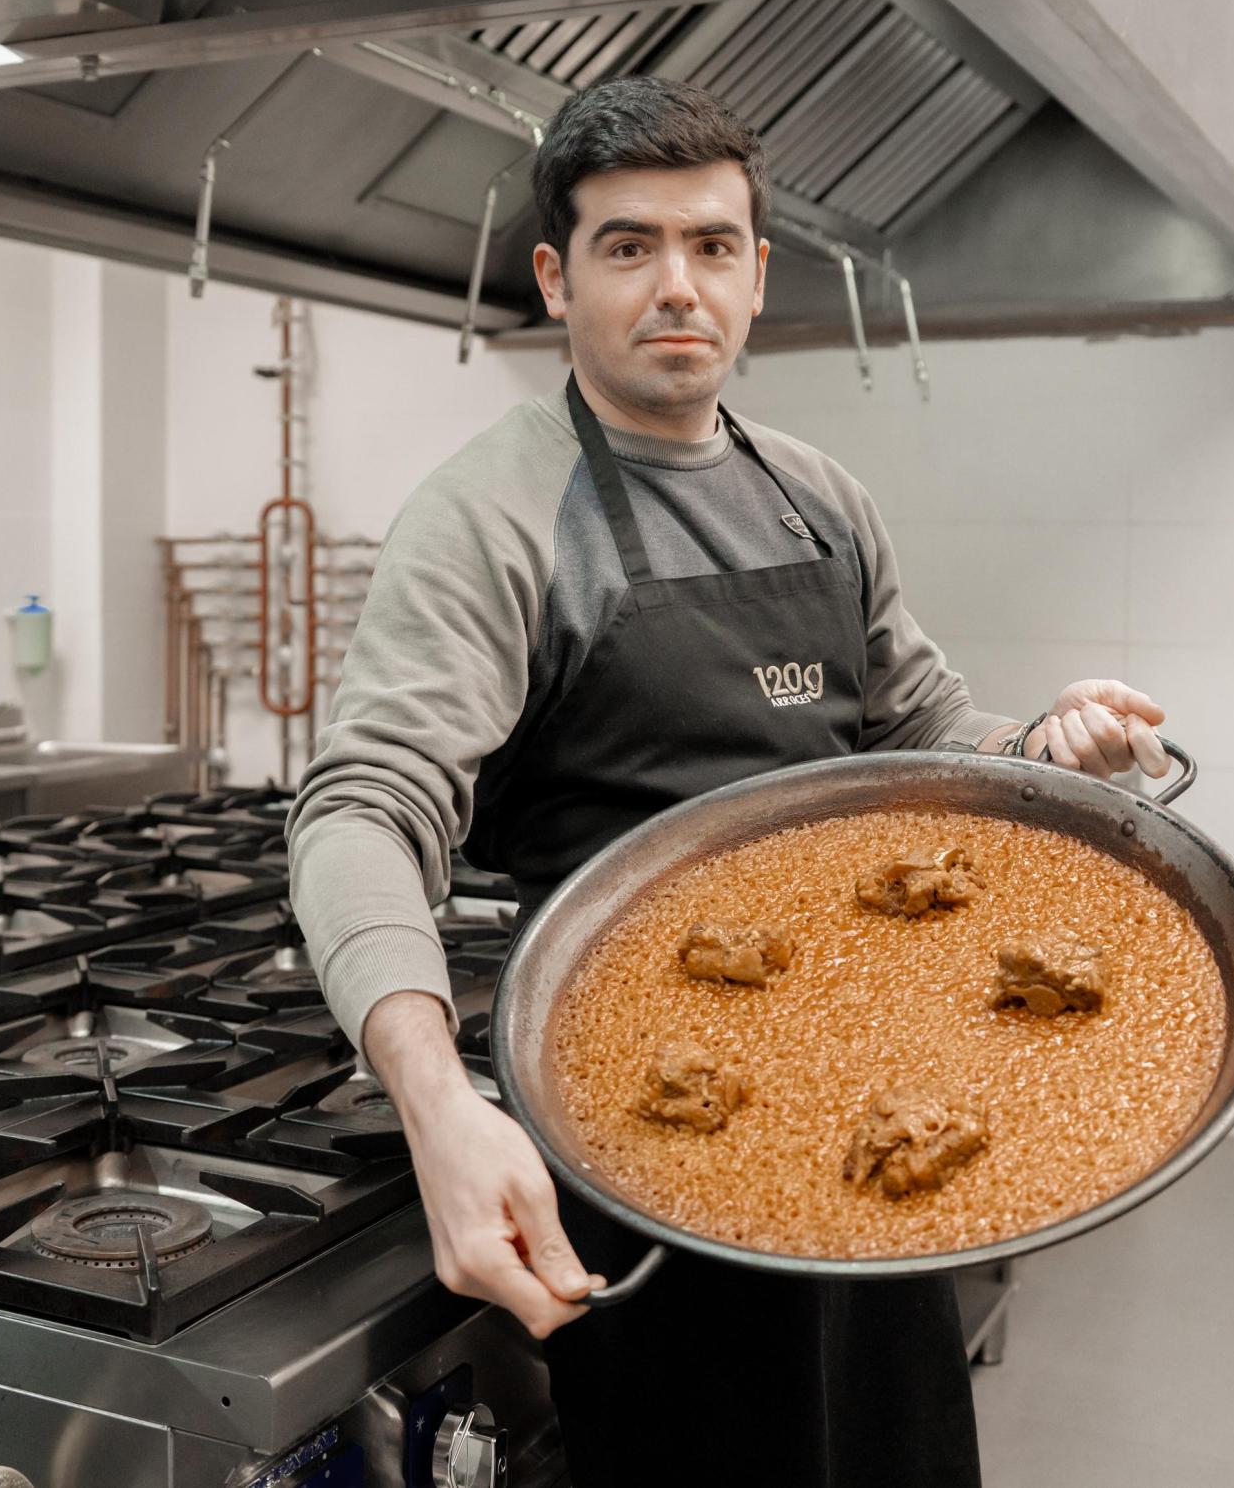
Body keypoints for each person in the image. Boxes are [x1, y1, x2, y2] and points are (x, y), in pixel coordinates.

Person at [287, 77, 1172, 1488]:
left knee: (892, 1444)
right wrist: (435, 1099)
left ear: (758, 276)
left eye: (710, 246)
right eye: (628, 247)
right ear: (557, 276)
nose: (675, 286)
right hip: (642, 1130)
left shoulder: (820, 495)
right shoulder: (495, 515)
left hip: (863, 1092)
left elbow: (921, 722)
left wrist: (1042, 742)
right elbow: (360, 809)